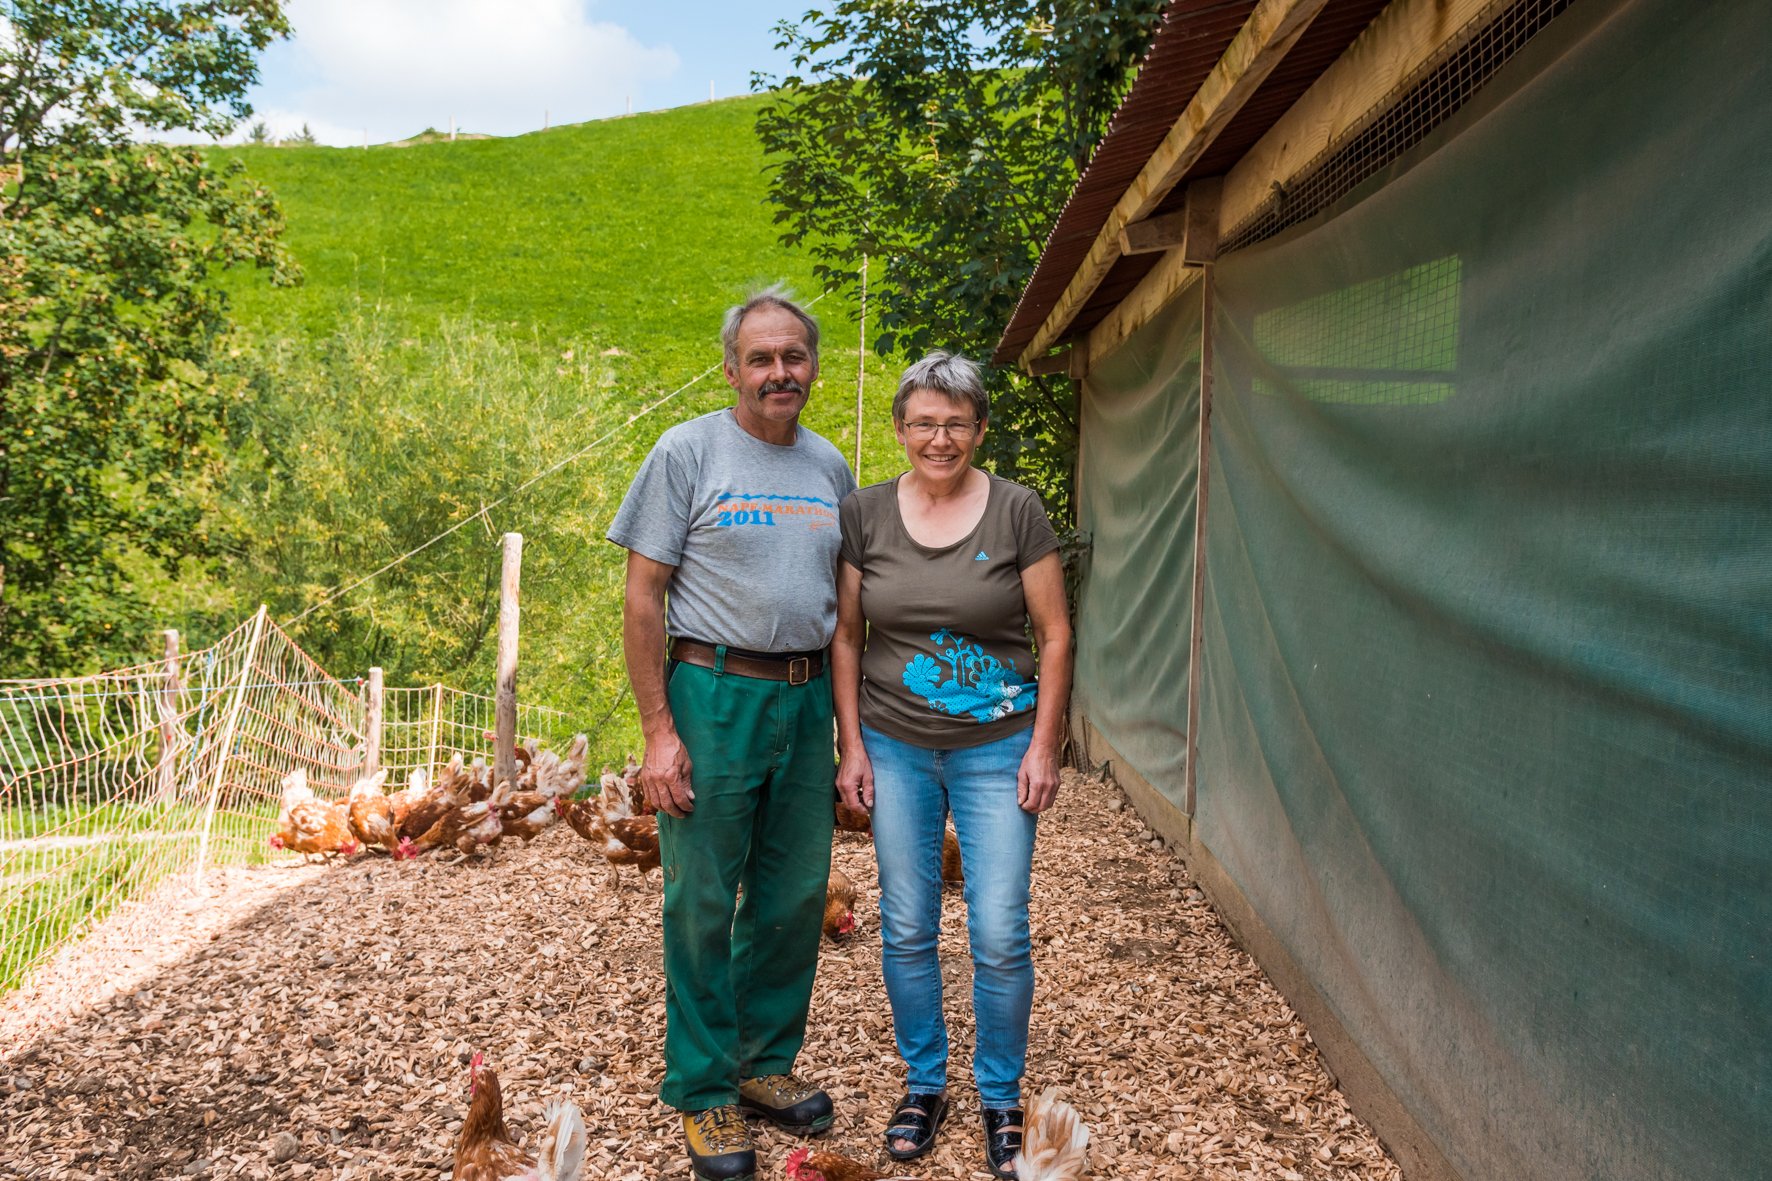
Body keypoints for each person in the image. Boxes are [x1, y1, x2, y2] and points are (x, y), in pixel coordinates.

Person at [608, 287, 857, 1181]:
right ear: (731, 368)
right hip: (713, 690)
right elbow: (643, 596)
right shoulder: (686, 452)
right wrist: (658, 731)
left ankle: (763, 1061)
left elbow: (843, 615)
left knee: (794, 892)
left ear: (813, 366)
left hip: (803, 697)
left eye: (793, 356)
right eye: (761, 358)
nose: (779, 372)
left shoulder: (830, 468)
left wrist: (846, 732)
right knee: (703, 899)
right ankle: (707, 1090)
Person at [831, 351, 1072, 1179]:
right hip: (895, 746)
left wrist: (1045, 742)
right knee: (906, 923)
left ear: (979, 429)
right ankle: (925, 1082)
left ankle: (1000, 1094)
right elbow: (848, 636)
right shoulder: (863, 513)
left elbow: (1057, 635)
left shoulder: (1016, 511)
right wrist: (852, 742)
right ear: (900, 428)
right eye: (925, 422)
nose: (941, 438)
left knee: (1000, 928)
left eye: (957, 423)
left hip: (997, 747)